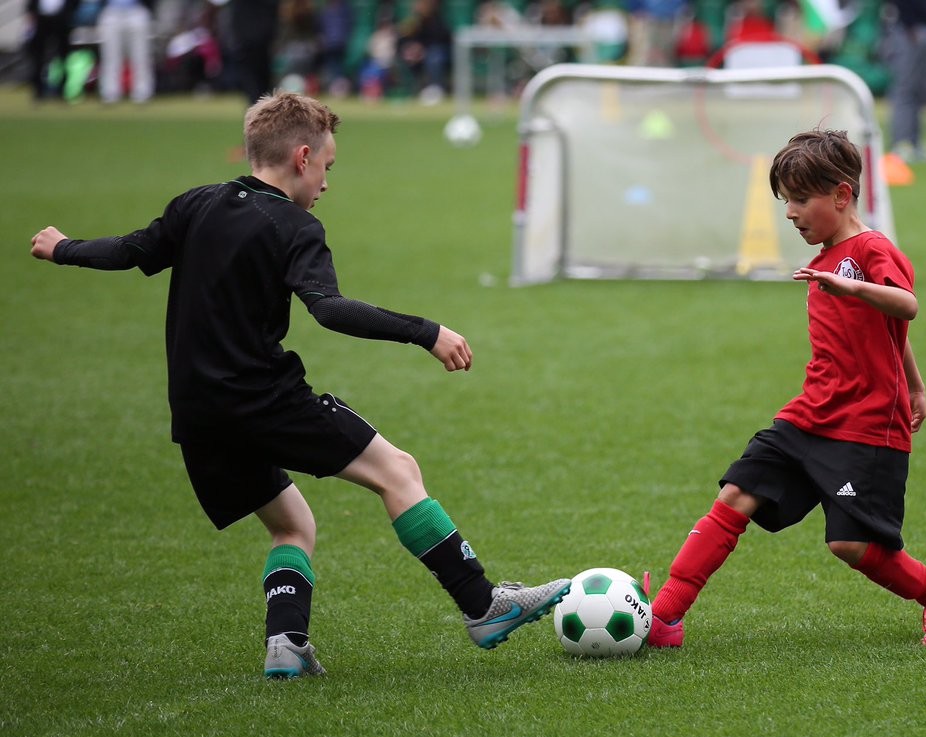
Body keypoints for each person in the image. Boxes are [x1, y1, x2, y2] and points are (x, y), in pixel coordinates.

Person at [29, 92, 570, 678]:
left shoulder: (197, 205)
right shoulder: (295, 226)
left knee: (293, 525)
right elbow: (330, 310)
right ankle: (482, 604)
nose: (327, 184)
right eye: (328, 169)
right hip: (262, 399)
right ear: (303, 156)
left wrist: (63, 249)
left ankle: (286, 643)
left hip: (197, 414)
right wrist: (426, 331)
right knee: (399, 472)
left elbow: (132, 250)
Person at [645, 129, 926, 649]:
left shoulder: (870, 250)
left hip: (865, 424)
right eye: (785, 201)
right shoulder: (824, 257)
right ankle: (663, 617)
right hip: (808, 415)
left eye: (800, 200)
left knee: (849, 543)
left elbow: (905, 307)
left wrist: (854, 285)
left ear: (841, 195)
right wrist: (916, 383)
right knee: (735, 494)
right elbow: (891, 335)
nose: (790, 213)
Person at [883, 0, 926, 162]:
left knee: (918, 90)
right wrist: (909, 24)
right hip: (908, 31)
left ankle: (915, 143)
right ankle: (900, 143)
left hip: (924, 28)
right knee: (904, 89)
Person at [97, 0, 156, 103]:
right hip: (112, 12)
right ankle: (110, 93)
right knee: (111, 57)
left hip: (136, 11)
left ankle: (142, 93)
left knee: (140, 56)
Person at [25, 0, 80, 100]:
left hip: (61, 20)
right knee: (38, 58)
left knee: (63, 57)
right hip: (41, 20)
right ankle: (38, 92)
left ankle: (62, 92)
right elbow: (31, 5)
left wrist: (68, 14)